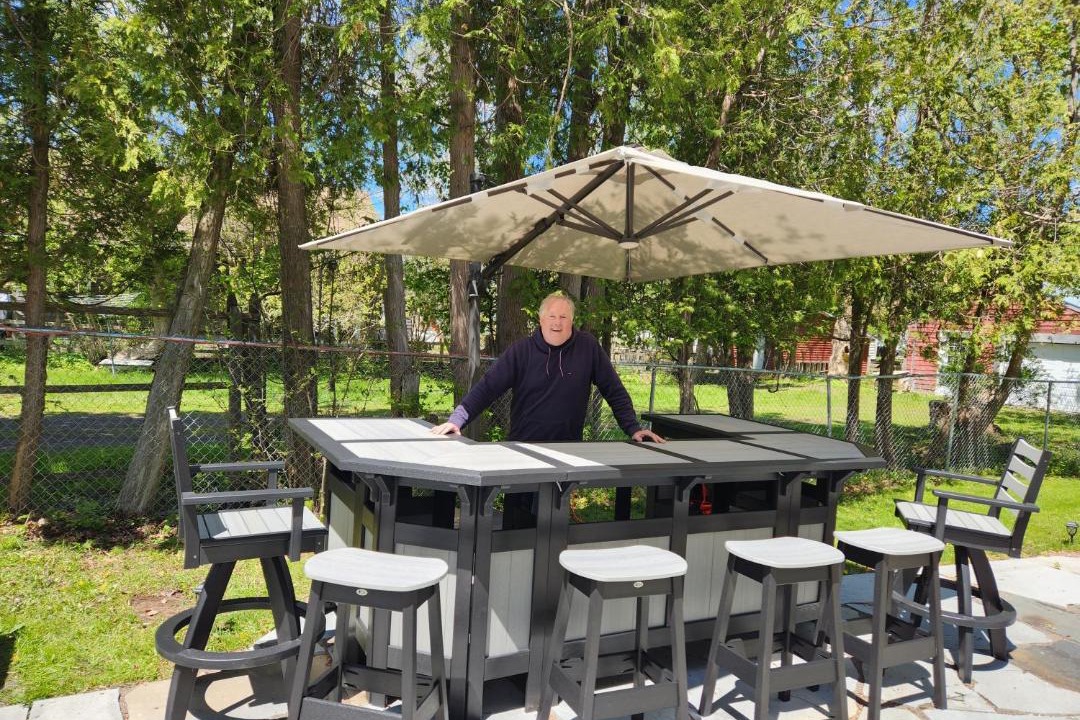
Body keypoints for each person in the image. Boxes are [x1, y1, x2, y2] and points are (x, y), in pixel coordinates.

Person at [431, 291, 665, 443]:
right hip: (522, 447)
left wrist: (633, 428)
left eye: (563, 317)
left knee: (557, 508)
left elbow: (614, 390)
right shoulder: (521, 351)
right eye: (552, 316)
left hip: (569, 450)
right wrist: (456, 420)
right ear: (541, 320)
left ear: (572, 321)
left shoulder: (588, 348)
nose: (557, 323)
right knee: (519, 508)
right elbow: (487, 388)